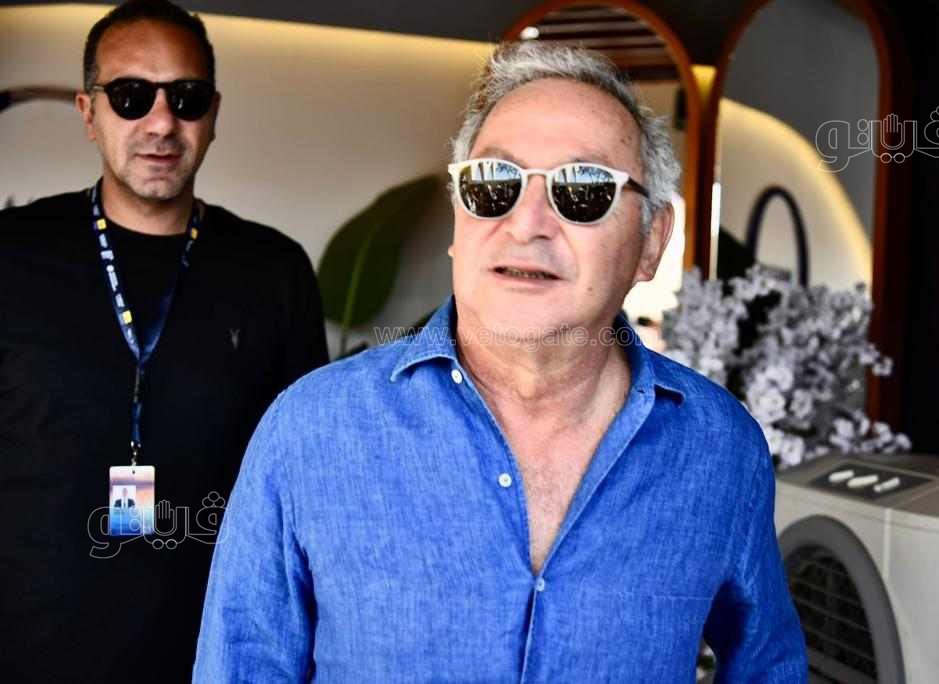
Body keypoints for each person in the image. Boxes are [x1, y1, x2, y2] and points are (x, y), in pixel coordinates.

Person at [194, 42, 807, 682]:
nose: (526, 223)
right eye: (494, 184)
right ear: (460, 219)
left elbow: (768, 667)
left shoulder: (719, 448)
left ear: (651, 242)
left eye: (583, 188)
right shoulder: (311, 430)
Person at [0, 1, 327, 681]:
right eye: (130, 96)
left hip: (212, 656)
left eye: (186, 97)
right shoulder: (12, 252)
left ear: (213, 114)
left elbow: (303, 484)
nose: (160, 122)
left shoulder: (273, 270)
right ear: (88, 112)